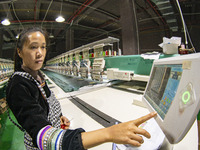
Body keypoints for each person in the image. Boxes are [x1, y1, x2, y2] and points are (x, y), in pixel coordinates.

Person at [6, 27, 157, 150]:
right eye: (33, 47)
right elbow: (44, 139)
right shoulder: (19, 85)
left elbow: (45, 105)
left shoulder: (37, 76)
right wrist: (109, 133)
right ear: (19, 52)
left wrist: (58, 117)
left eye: (43, 47)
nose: (40, 53)